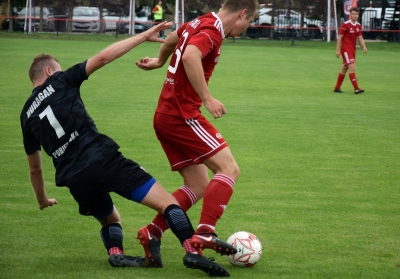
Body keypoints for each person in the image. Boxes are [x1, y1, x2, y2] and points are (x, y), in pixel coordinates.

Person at [20, 21, 229, 277]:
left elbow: (34, 168)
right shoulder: (61, 80)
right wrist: (142, 36)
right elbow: (104, 57)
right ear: (51, 70)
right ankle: (191, 250)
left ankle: (116, 254)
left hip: (72, 175)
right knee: (168, 203)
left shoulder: (25, 115)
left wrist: (42, 199)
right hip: (101, 159)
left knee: (110, 218)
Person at [135, 0, 259, 268]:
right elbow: (191, 55)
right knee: (229, 168)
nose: (246, 28)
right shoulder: (213, 31)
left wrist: (159, 61)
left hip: (166, 115)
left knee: (198, 186)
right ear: (243, 13)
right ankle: (205, 232)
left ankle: (152, 232)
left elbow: (171, 38)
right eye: (249, 22)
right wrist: (207, 98)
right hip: (182, 115)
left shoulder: (200, 21)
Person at [334, 7, 367, 94]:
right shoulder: (345, 25)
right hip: (346, 49)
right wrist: (337, 50)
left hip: (353, 49)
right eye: (353, 14)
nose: (355, 16)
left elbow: (360, 37)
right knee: (352, 68)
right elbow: (340, 38)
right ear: (350, 15)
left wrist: (363, 46)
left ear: (358, 15)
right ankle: (356, 88)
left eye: (356, 14)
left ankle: (337, 87)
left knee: (344, 68)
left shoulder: (358, 25)